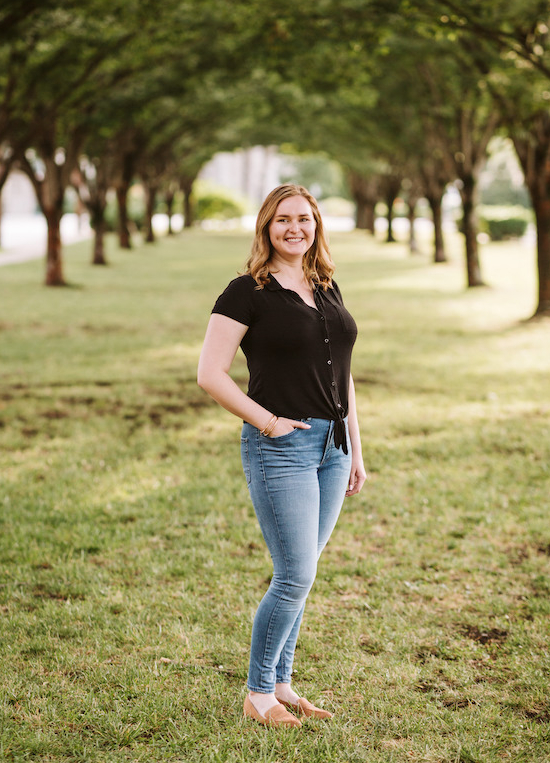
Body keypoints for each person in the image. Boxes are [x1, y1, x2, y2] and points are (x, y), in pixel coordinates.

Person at [196, 184, 367, 728]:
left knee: (305, 573)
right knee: (294, 574)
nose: (295, 228)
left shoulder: (326, 285)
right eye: (283, 220)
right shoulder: (245, 292)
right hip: (282, 449)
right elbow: (209, 374)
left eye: (305, 219)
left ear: (317, 224)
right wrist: (266, 422)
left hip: (333, 448)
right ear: (266, 227)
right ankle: (257, 692)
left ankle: (284, 684)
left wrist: (356, 448)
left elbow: (344, 375)